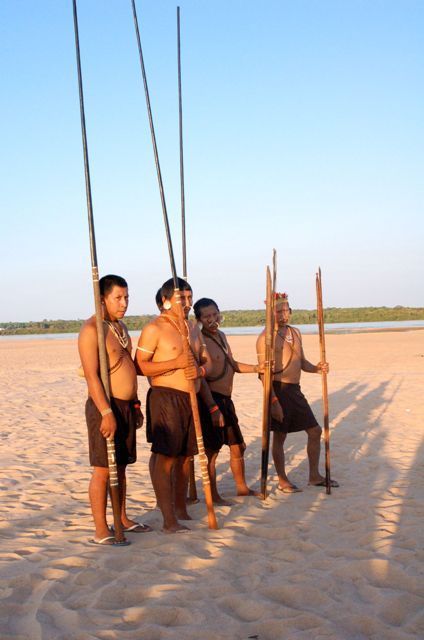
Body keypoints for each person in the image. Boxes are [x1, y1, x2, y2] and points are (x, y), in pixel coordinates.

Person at [78, 274, 152, 546]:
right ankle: (100, 528)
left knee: (120, 467)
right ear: (102, 299)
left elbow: (128, 368)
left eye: (127, 297)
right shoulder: (91, 331)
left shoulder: (119, 328)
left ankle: (122, 519)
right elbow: (92, 376)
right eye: (118, 298)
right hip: (104, 406)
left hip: (125, 406)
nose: (124, 303)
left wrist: (135, 404)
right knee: (102, 469)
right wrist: (106, 412)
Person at [136, 278, 212, 533]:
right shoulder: (154, 328)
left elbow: (207, 361)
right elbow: (141, 365)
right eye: (182, 299)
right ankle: (168, 518)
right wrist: (177, 363)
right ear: (166, 300)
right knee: (166, 457)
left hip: (190, 397)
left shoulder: (192, 327)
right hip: (166, 396)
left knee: (184, 458)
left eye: (190, 298)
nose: (188, 303)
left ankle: (180, 509)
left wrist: (199, 370)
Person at [256, 292, 339, 493]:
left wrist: (318, 368)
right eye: (279, 311)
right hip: (278, 390)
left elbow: (301, 363)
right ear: (270, 313)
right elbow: (262, 374)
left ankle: (314, 476)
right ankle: (283, 480)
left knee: (315, 431)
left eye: (286, 310)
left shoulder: (295, 333)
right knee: (280, 436)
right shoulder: (265, 338)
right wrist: (273, 401)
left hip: (295, 390)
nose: (284, 314)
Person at [194, 297, 263, 503]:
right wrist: (212, 407)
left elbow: (231, 364)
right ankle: (212, 495)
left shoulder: (222, 336)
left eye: (215, 314)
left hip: (227, 399)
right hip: (211, 401)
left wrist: (257, 368)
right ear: (199, 319)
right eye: (207, 317)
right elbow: (202, 376)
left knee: (237, 446)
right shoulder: (199, 340)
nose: (212, 319)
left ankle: (242, 488)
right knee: (212, 451)